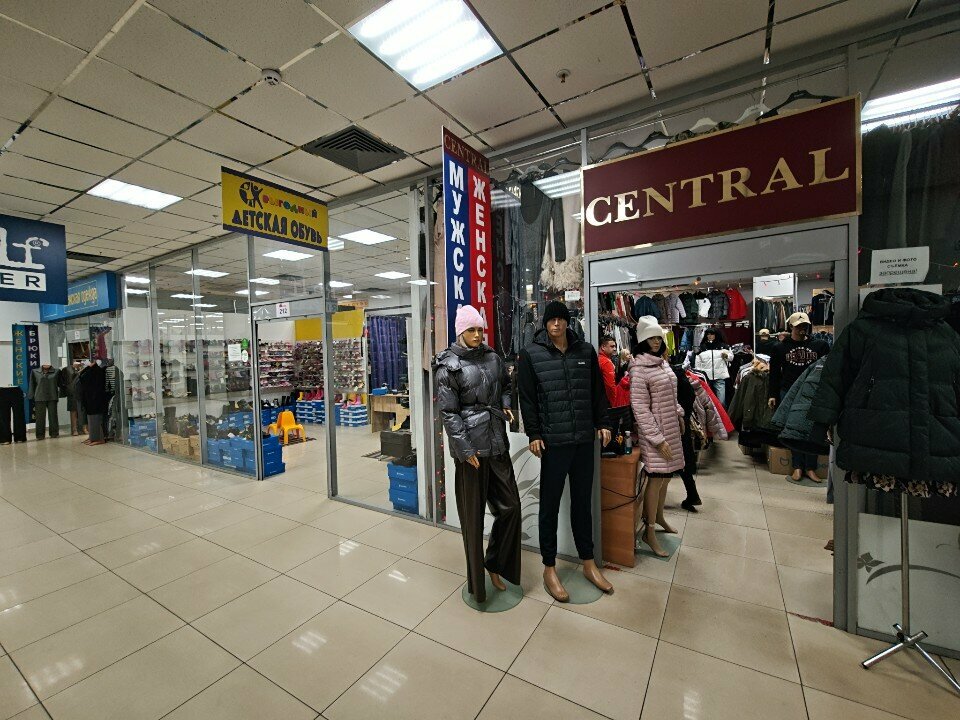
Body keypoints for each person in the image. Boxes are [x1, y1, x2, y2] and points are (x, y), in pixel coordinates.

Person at [518, 300, 613, 602]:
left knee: (582, 503)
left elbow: (597, 391)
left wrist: (604, 423)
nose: (556, 324)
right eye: (551, 320)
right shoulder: (531, 354)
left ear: (567, 322)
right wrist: (533, 433)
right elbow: (528, 399)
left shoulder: (585, 351)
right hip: (554, 443)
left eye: (561, 319)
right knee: (549, 505)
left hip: (584, 439)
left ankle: (588, 562)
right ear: (544, 324)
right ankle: (549, 567)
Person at [435, 305, 521, 605]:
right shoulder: (449, 366)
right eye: (471, 329)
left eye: (480, 329)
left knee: (510, 508)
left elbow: (507, 386)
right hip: (471, 450)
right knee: (473, 520)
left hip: (497, 443)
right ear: (460, 331)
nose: (477, 334)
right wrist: (465, 449)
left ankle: (495, 564)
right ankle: (477, 585)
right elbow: (448, 412)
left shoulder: (493, 357)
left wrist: (507, 402)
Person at [630, 317, 686, 557]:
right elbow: (640, 408)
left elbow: (671, 397)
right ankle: (649, 531)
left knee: (666, 478)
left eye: (658, 337)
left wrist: (680, 414)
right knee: (655, 479)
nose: (655, 342)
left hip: (671, 428)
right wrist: (657, 439)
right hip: (656, 434)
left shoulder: (662, 363)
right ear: (642, 340)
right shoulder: (640, 370)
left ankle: (660, 517)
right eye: (650, 338)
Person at [768, 312, 830, 482]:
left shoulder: (820, 346)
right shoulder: (779, 347)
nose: (802, 329)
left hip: (812, 392)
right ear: (791, 327)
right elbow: (774, 374)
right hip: (789, 391)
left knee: (813, 430)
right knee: (793, 431)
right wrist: (772, 394)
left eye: (804, 325)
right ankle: (797, 466)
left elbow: (827, 370)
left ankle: (810, 467)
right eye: (798, 326)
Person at [694, 327, 730, 404]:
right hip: (707, 377)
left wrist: (726, 356)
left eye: (712, 334)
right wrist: (699, 374)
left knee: (721, 401)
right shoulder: (702, 347)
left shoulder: (723, 346)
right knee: (708, 401)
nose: (709, 336)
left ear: (716, 335)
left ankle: (722, 415)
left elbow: (731, 357)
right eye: (708, 334)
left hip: (720, 376)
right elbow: (698, 363)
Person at [79, 359, 108, 446]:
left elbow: (84, 378)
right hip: (90, 399)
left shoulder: (98, 371)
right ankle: (92, 437)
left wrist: (88, 368)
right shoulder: (90, 370)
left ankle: (99, 438)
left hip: (95, 399)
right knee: (91, 419)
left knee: (96, 419)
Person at [597, 334, 629, 407]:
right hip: (606, 400)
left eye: (615, 346)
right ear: (603, 347)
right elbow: (610, 385)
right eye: (612, 346)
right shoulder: (606, 362)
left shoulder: (600, 359)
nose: (615, 349)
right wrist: (614, 403)